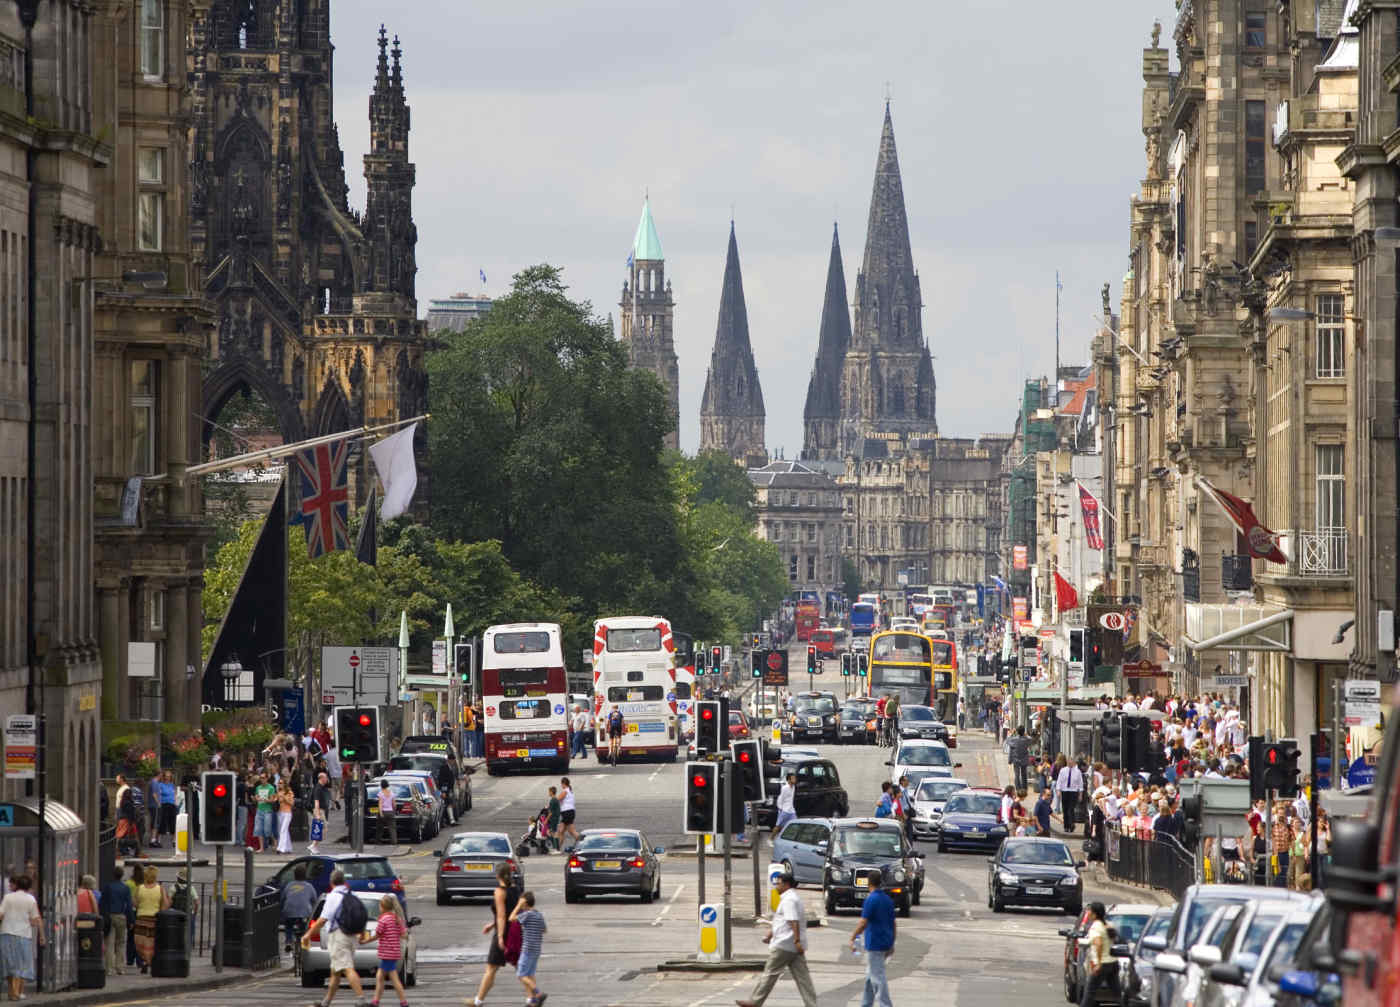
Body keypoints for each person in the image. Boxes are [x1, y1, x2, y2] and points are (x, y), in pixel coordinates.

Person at [736, 872, 816, 1007]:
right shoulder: (792, 897)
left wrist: (796, 941)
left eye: (778, 883)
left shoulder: (789, 900)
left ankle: (755, 1002)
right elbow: (782, 921)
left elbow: (793, 921)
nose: (776, 887)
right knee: (803, 979)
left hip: (785, 945)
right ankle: (811, 1004)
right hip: (793, 946)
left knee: (770, 974)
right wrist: (769, 935)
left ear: (786, 884)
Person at [301, 870, 367, 1007]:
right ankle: (326, 1002)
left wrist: (307, 935)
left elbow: (322, 920)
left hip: (339, 936)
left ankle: (361, 999)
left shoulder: (333, 897)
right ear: (345, 882)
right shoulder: (352, 895)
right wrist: (361, 933)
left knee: (347, 967)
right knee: (335, 971)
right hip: (351, 936)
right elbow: (360, 915)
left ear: (331, 883)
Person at [470, 862, 520, 1007]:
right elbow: (513, 911)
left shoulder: (499, 891)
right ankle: (534, 995)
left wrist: (499, 936)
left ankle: (478, 1001)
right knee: (520, 966)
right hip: (516, 931)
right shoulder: (515, 889)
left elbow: (502, 915)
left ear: (497, 875)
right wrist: (491, 925)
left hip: (504, 932)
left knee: (491, 968)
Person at [849, 871, 896, 1007]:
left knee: (877, 977)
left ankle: (885, 1004)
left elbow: (863, 922)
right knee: (871, 975)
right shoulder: (887, 900)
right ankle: (866, 1003)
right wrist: (892, 942)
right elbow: (893, 923)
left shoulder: (871, 899)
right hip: (886, 941)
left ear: (868, 882)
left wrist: (852, 938)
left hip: (875, 942)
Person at [359, 894, 409, 1007]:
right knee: (380, 977)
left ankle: (403, 1002)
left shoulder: (383, 920)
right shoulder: (397, 919)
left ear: (382, 907)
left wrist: (364, 941)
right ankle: (375, 1001)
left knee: (394, 979)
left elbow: (377, 935)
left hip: (387, 953)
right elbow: (404, 934)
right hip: (394, 952)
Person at [0, 875, 42, 1000]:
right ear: (29, 886)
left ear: (17, 884)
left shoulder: (7, 897)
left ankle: (11, 991)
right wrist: (27, 921)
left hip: (6, 933)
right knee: (21, 965)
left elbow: (1, 914)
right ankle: (16, 992)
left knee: (9, 964)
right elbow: (35, 920)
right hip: (24, 935)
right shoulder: (31, 899)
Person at [509, 890, 548, 1006]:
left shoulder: (526, 914)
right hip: (536, 949)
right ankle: (534, 1001)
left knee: (521, 974)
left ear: (525, 903)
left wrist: (517, 906)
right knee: (530, 974)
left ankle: (538, 993)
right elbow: (544, 930)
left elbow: (511, 918)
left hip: (527, 949)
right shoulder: (539, 914)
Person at [132, 866, 169, 972]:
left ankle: (144, 961)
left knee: (140, 943)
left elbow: (134, 903)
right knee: (152, 943)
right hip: (154, 919)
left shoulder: (139, 888)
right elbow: (165, 904)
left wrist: (141, 906)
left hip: (141, 918)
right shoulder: (160, 888)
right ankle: (149, 962)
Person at [1078, 901, 1112, 1007]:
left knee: (1089, 994)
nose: (1089, 914)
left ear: (1095, 914)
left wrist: (1098, 963)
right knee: (1118, 993)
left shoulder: (1095, 927)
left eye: (1090, 912)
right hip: (1112, 964)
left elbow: (1098, 943)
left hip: (1100, 965)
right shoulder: (1108, 925)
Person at [280, 863, 317, 952]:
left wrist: (282, 910)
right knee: (305, 928)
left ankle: (288, 941)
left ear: (295, 875)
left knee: (288, 927)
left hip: (289, 912)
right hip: (304, 913)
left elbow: (283, 899)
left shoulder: (289, 885)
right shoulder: (309, 886)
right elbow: (314, 900)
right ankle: (305, 944)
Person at [1056, 757, 1084, 836]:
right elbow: (1059, 781)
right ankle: (1066, 826)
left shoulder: (1078, 772)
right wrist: (1058, 791)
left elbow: (1080, 783)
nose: (1070, 764)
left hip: (1073, 791)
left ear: (1074, 763)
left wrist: (1080, 794)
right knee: (1065, 809)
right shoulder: (1063, 770)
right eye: (1069, 763)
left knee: (1071, 809)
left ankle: (1072, 824)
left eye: (1071, 763)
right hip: (1065, 791)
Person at [253, 772, 277, 852]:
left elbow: (272, 799)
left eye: (263, 778)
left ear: (267, 779)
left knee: (267, 829)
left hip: (267, 810)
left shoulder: (271, 788)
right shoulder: (258, 787)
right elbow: (256, 796)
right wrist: (257, 798)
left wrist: (267, 800)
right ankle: (261, 847)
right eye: (261, 778)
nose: (262, 779)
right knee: (258, 829)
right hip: (259, 809)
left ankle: (275, 843)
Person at [310, 770, 332, 854]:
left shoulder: (321, 787)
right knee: (323, 828)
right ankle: (313, 845)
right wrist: (317, 814)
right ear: (322, 778)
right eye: (326, 777)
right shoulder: (318, 788)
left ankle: (314, 846)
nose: (327, 779)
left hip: (321, 810)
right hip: (319, 810)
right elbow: (316, 801)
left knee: (320, 829)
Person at [555, 778, 579, 853]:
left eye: (561, 784)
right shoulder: (570, 791)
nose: (561, 785)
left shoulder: (565, 791)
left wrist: (548, 806)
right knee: (571, 831)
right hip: (571, 812)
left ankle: (557, 849)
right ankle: (584, 843)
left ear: (563, 784)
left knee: (560, 831)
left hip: (567, 813)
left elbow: (557, 800)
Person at [1008, 726, 1032, 792]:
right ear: (1023, 732)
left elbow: (1008, 741)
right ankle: (1024, 788)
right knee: (1024, 774)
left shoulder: (1014, 740)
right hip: (1024, 759)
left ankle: (1018, 789)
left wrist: (1012, 733)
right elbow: (1031, 739)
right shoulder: (1026, 740)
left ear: (1017, 732)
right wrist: (1026, 735)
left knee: (1017, 775)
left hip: (1016, 760)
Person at [377, 779, 398, 848]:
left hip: (383, 811)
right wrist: (394, 811)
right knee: (392, 828)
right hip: (390, 812)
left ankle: (379, 841)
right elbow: (394, 804)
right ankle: (394, 842)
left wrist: (381, 813)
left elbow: (380, 804)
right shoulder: (391, 793)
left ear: (381, 785)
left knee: (380, 827)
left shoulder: (380, 793)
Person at [276, 779, 295, 854]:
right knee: (284, 830)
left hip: (287, 813)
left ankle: (281, 848)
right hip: (280, 812)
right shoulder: (279, 792)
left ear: (284, 784)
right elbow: (275, 800)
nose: (279, 784)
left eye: (281, 783)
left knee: (283, 830)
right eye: (279, 783)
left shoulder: (289, 792)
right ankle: (288, 847)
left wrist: (284, 798)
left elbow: (292, 803)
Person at [545, 786, 562, 853]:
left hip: (554, 819)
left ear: (552, 792)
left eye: (549, 792)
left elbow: (551, 812)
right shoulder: (555, 799)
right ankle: (555, 848)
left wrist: (546, 820)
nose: (548, 793)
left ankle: (556, 849)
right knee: (550, 832)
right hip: (555, 818)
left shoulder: (553, 800)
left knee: (554, 833)